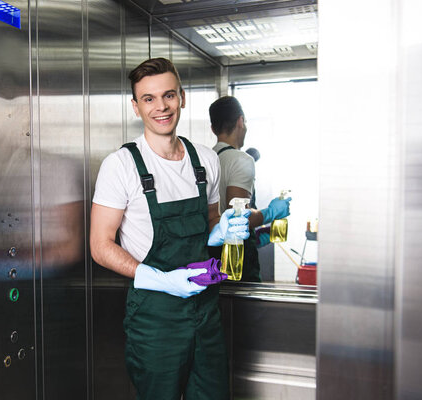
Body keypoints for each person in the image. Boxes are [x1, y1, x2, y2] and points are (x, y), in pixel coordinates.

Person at [90, 58, 250, 400]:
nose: (160, 107)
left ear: (182, 97)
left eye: (168, 96)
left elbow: (207, 226)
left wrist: (222, 231)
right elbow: (100, 246)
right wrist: (160, 279)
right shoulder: (121, 166)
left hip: (206, 310)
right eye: (148, 99)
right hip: (154, 318)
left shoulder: (205, 160)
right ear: (136, 106)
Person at [209, 96, 291, 281]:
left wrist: (259, 231)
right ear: (241, 121)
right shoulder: (241, 160)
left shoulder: (206, 160)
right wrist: (270, 213)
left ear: (213, 128)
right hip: (237, 263)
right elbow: (238, 218)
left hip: (211, 259)